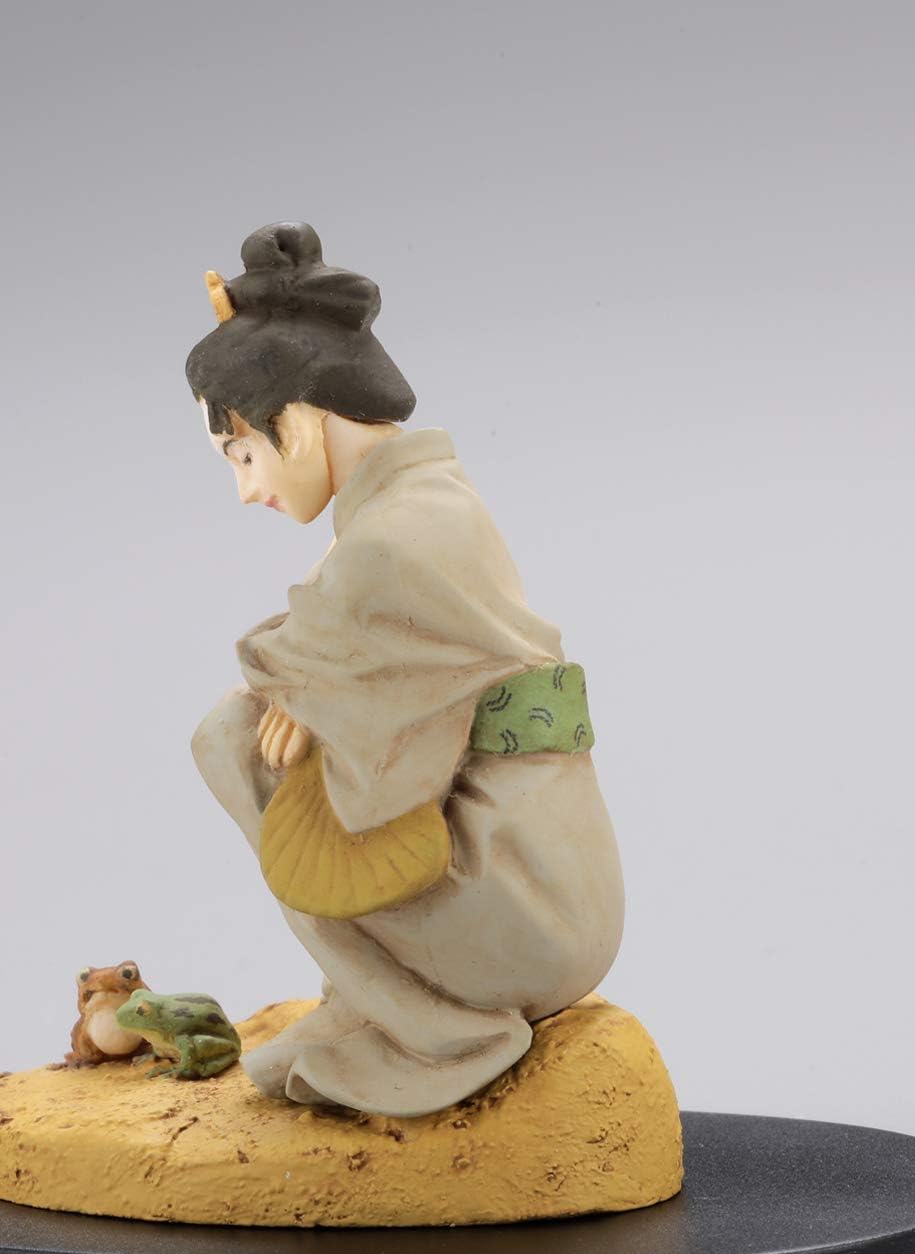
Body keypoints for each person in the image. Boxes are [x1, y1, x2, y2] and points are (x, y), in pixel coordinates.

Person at [186, 223, 624, 1117]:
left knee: (231, 742)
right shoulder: (423, 500)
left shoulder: (393, 538)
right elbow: (322, 641)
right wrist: (313, 688)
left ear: (297, 424)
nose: (246, 488)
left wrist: (305, 690)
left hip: (522, 904)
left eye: (243, 454)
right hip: (544, 886)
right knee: (272, 741)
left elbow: (296, 646)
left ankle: (430, 1028)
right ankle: (379, 1004)